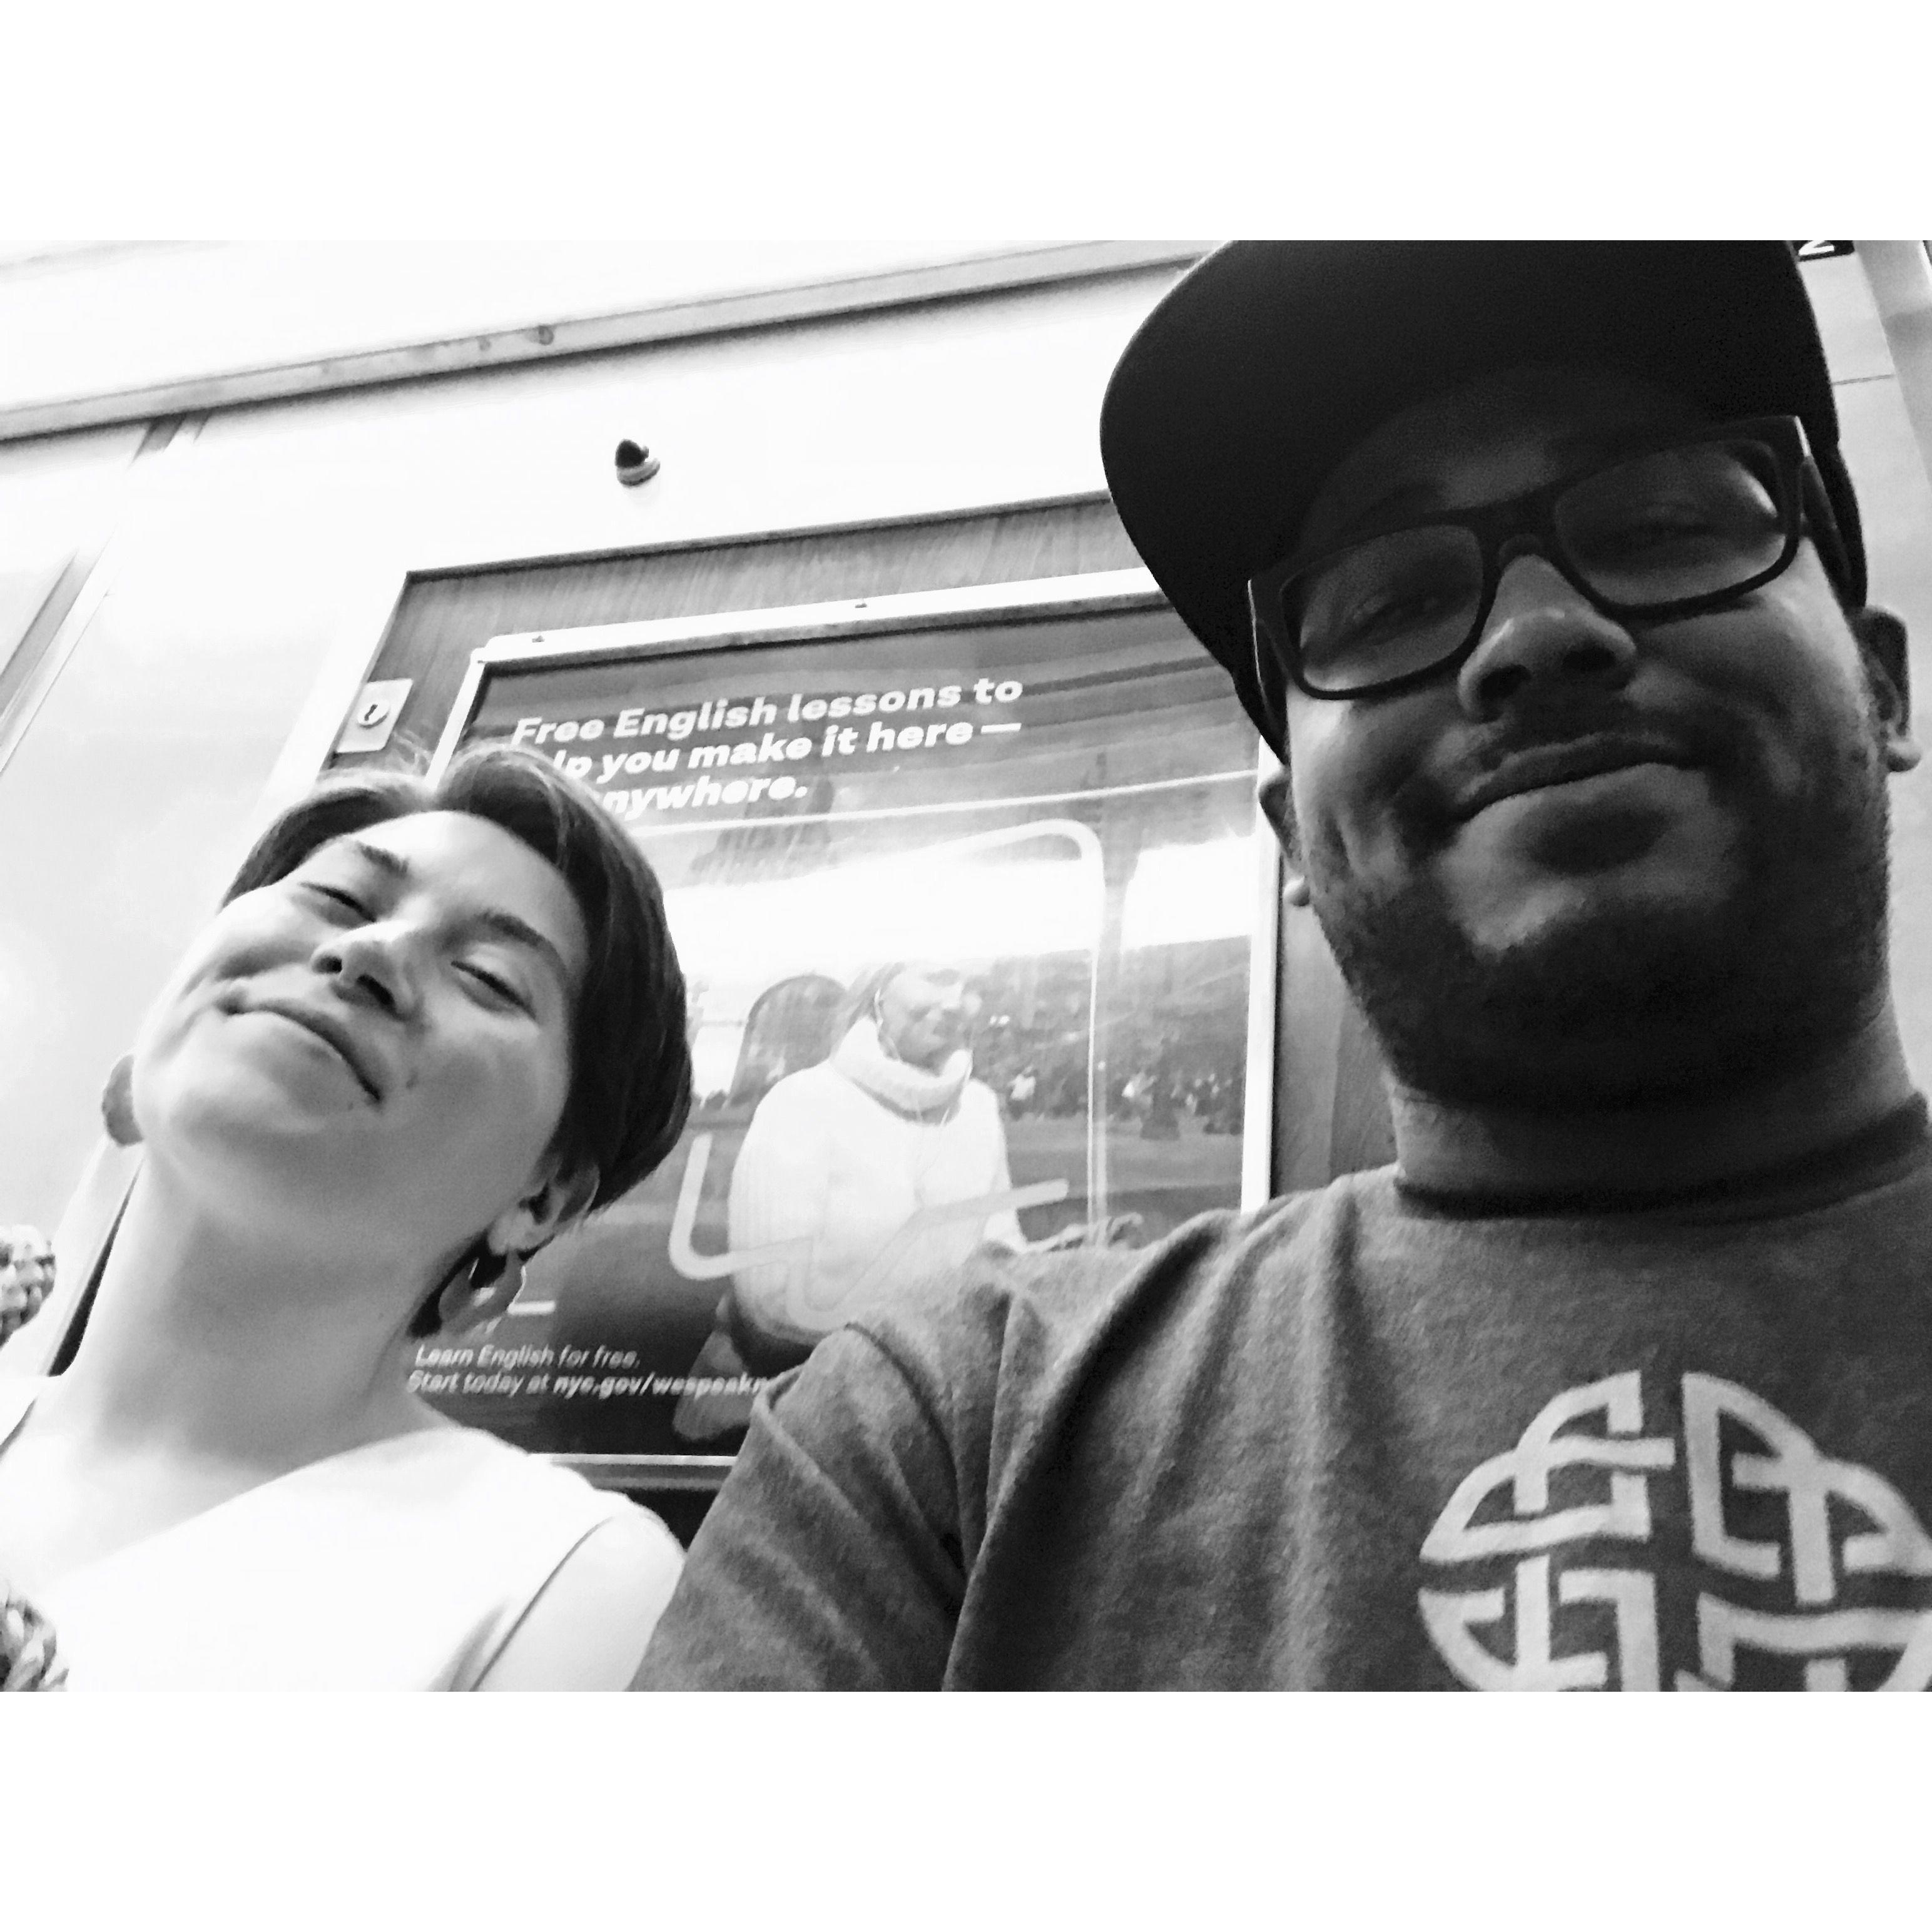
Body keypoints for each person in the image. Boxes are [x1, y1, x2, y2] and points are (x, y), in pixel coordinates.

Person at [636, 242, 1932, 1691]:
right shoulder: (947, 1435)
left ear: (1880, 683)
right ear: (1292, 842)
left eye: (1660, 521)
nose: (1536, 633)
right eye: (1385, 601)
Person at [0, 745, 695, 1689]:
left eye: (488, 976)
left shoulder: (567, 1579)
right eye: (336, 899)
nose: (372, 952)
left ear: (542, 1196)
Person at [673, 961, 1025, 1440]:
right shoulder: (804, 1101)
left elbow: (1002, 1253)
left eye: (973, 985)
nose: (956, 1001)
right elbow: (772, 1299)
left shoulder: (978, 1108)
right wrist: (935, 1340)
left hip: (928, 1415)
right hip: (778, 1415)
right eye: (937, 976)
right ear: (879, 989)